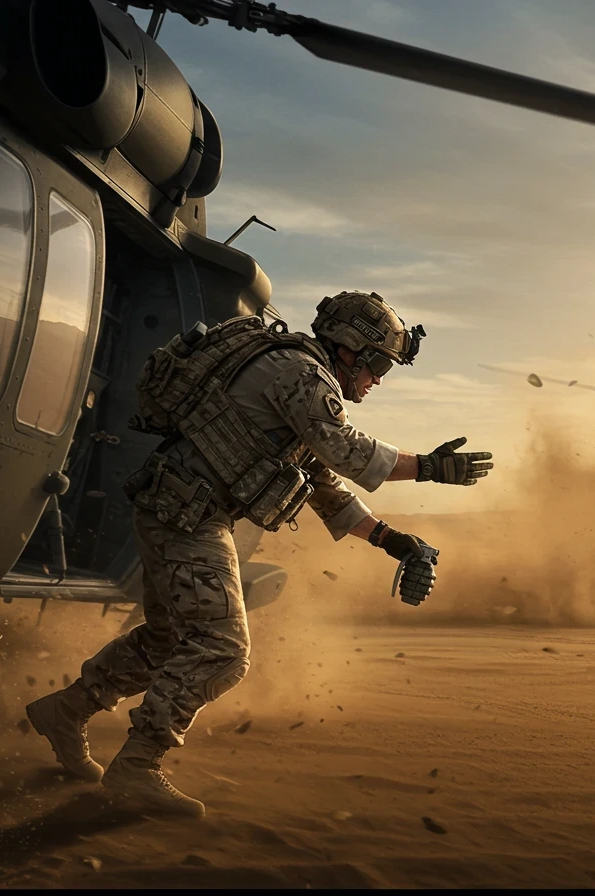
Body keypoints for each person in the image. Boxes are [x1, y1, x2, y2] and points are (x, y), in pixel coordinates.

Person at [25, 291, 492, 818]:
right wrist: (429, 467)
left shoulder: (294, 378)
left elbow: (322, 484)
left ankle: (65, 712)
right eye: (378, 363)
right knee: (223, 649)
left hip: (180, 509)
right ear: (349, 349)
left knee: (166, 640)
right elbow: (350, 454)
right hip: (188, 516)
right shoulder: (301, 376)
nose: (378, 379)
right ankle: (138, 764)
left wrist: (394, 541)